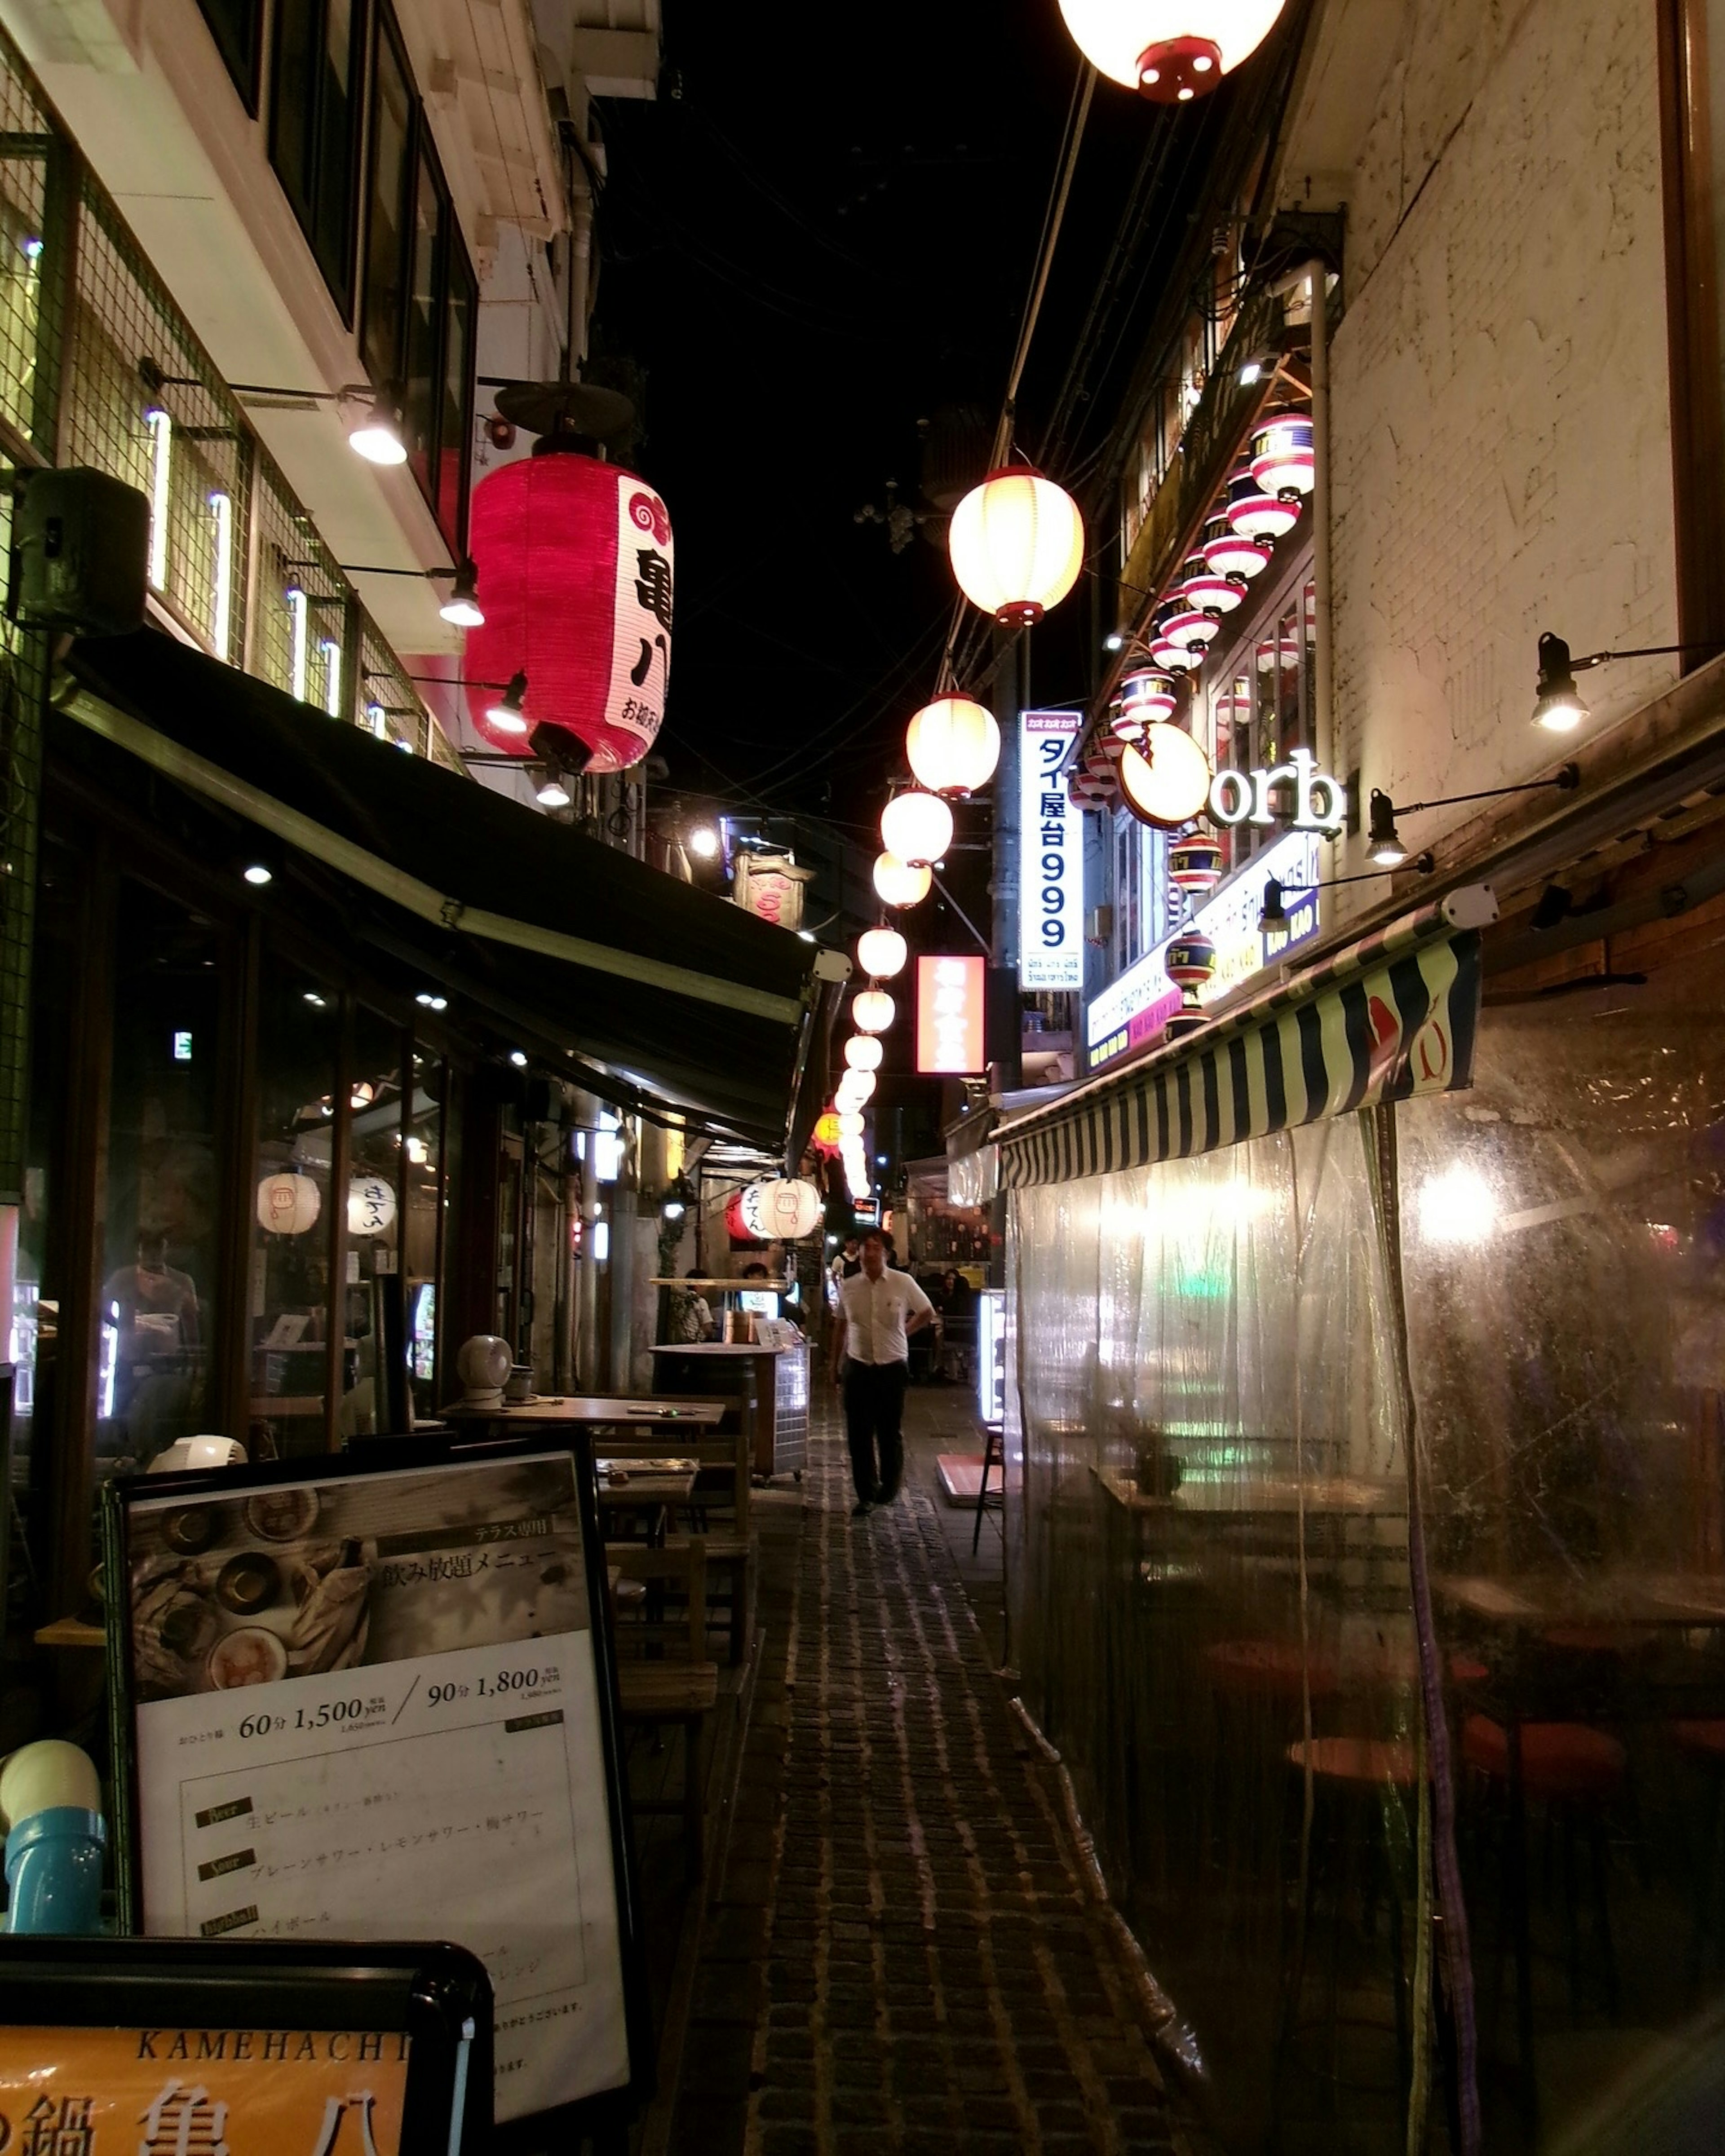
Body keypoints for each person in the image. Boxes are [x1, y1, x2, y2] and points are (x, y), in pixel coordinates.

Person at [830, 1230, 934, 1517]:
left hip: (892, 1366)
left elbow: (926, 1311)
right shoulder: (849, 1287)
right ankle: (865, 1493)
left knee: (889, 1431)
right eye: (866, 1248)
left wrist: (905, 1332)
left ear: (885, 1254)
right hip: (858, 1365)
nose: (870, 1253)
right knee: (858, 1434)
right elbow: (840, 1326)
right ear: (859, 1253)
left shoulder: (903, 1282)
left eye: (876, 1248)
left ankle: (889, 1486)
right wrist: (834, 1366)